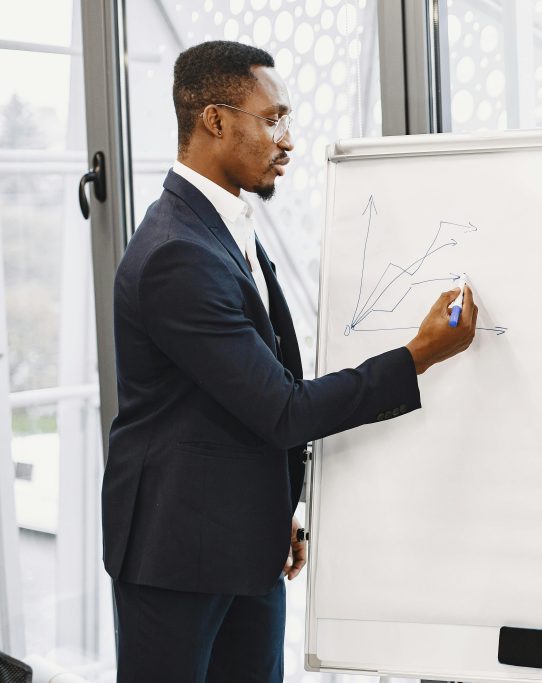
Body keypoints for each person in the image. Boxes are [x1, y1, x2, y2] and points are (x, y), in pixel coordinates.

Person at [101, 40, 477, 683]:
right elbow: (281, 408)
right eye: (273, 120)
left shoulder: (223, 225)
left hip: (243, 541)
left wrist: (272, 513)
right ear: (215, 121)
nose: (289, 140)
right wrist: (419, 355)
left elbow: (236, 405)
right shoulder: (175, 253)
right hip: (175, 557)